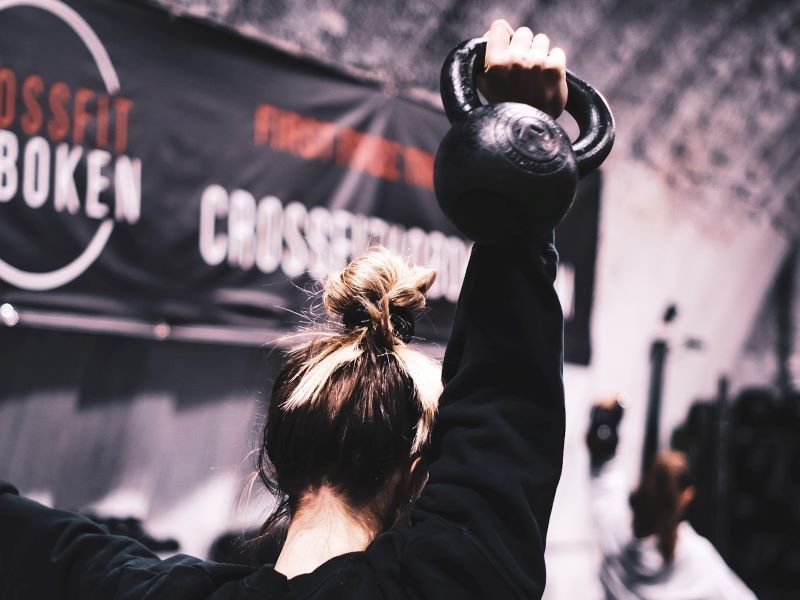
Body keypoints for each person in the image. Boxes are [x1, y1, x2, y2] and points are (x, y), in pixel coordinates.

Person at [0, 20, 568, 599]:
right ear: (417, 478)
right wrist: (520, 165)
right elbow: (503, 416)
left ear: (276, 459)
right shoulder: (439, 586)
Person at [586, 395, 757, 600]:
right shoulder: (693, 556)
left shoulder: (615, 529)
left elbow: (603, 464)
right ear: (686, 496)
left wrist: (606, 416)